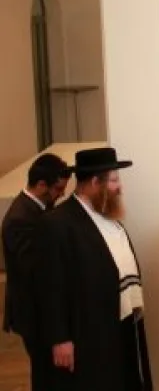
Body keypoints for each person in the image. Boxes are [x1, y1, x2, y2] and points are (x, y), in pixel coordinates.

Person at [39, 148, 152, 391]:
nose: (120, 188)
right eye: (114, 180)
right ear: (94, 182)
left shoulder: (109, 218)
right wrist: (60, 338)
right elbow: (50, 287)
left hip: (119, 323)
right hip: (86, 332)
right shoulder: (58, 223)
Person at [2, 154, 71, 390]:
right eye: (58, 189)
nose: (61, 194)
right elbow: (33, 267)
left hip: (41, 308)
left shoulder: (40, 208)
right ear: (41, 185)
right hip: (32, 311)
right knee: (45, 373)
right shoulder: (19, 218)